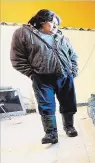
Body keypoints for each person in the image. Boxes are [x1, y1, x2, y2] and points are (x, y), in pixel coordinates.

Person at [10, 9, 79, 144]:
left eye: (57, 24)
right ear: (41, 21)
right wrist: (31, 73)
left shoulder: (62, 37)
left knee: (69, 103)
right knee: (46, 106)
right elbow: (17, 58)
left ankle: (69, 127)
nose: (55, 27)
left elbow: (73, 56)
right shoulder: (23, 33)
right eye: (52, 23)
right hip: (42, 78)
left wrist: (73, 71)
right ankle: (51, 133)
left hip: (65, 76)